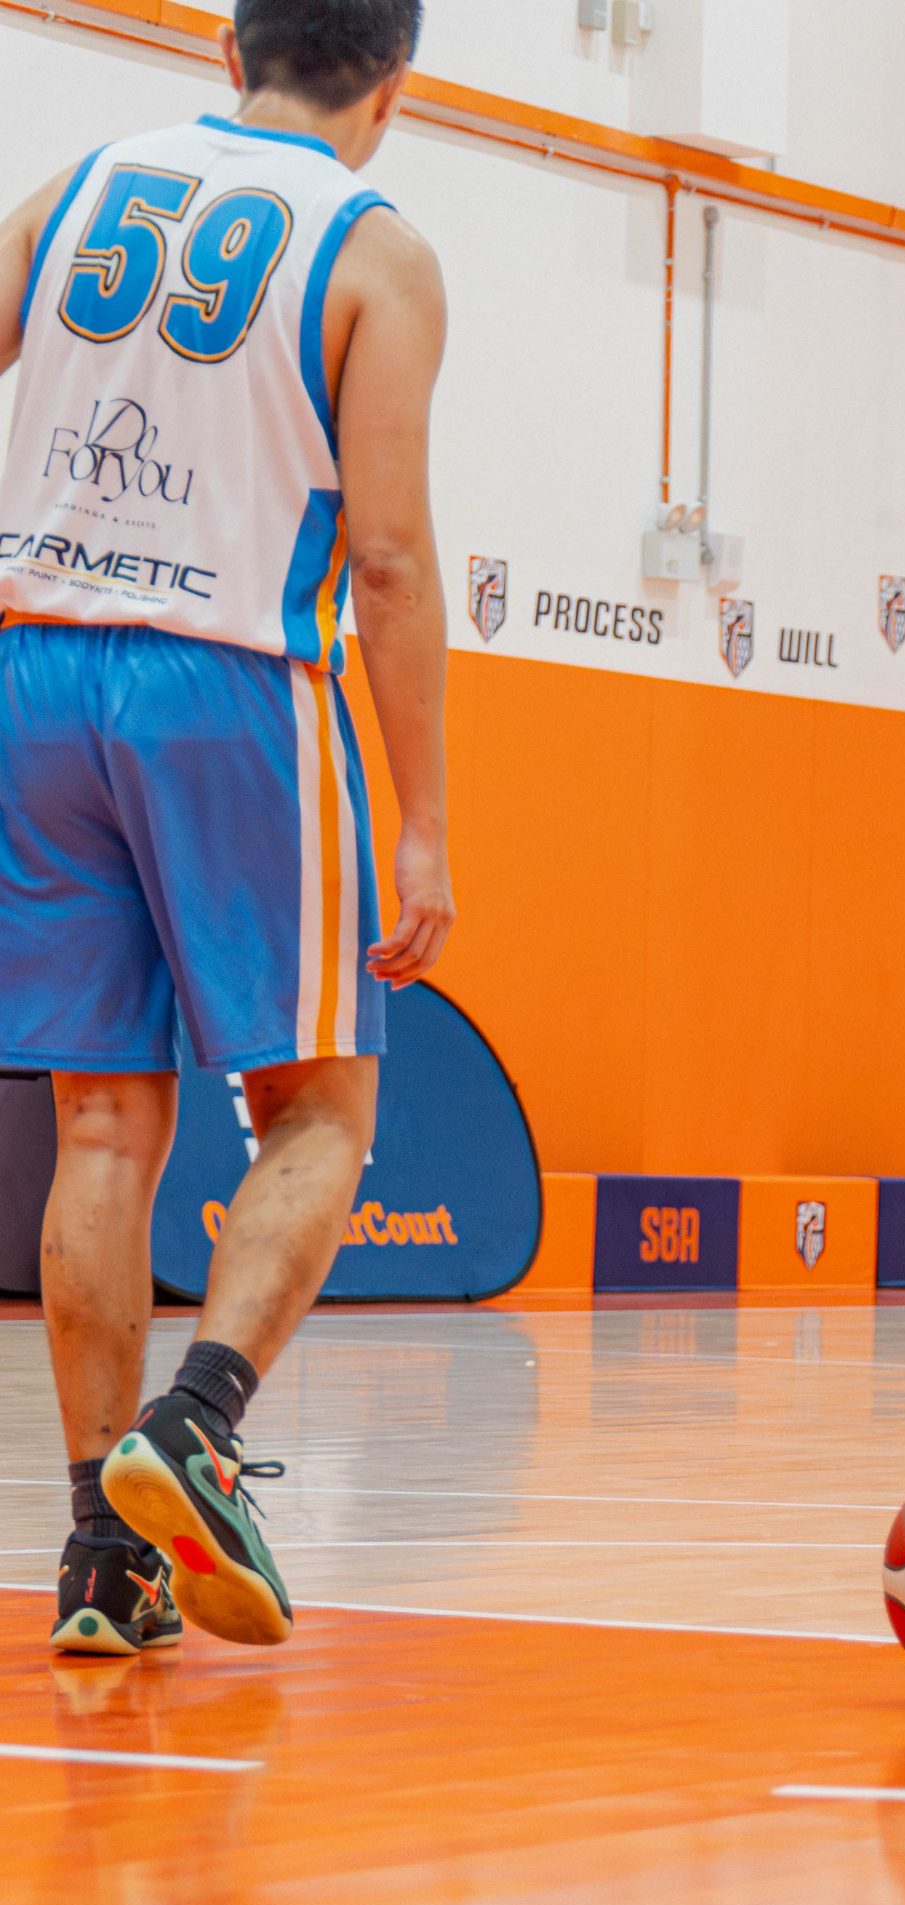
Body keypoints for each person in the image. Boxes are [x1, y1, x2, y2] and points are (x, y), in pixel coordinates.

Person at [0, 0, 453, 1654]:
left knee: (103, 1132)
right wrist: (424, 820)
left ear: (229, 51)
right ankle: (194, 1425)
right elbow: (386, 559)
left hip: (35, 673)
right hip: (230, 682)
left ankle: (99, 1565)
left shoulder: (75, 190)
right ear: (392, 88)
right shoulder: (374, 247)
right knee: (319, 1107)